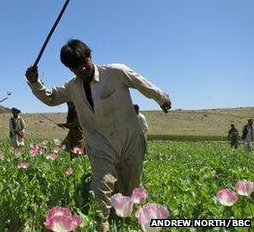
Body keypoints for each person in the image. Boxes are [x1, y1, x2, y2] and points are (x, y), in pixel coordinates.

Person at [25, 39, 171, 230]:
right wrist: (35, 82)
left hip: (129, 140)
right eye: (76, 68)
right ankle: (102, 225)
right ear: (70, 69)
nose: (82, 70)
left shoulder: (116, 73)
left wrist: (161, 98)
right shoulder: (72, 87)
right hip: (100, 145)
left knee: (129, 189)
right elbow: (51, 97)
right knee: (100, 188)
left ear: (90, 56)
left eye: (84, 64)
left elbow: (142, 83)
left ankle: (124, 222)